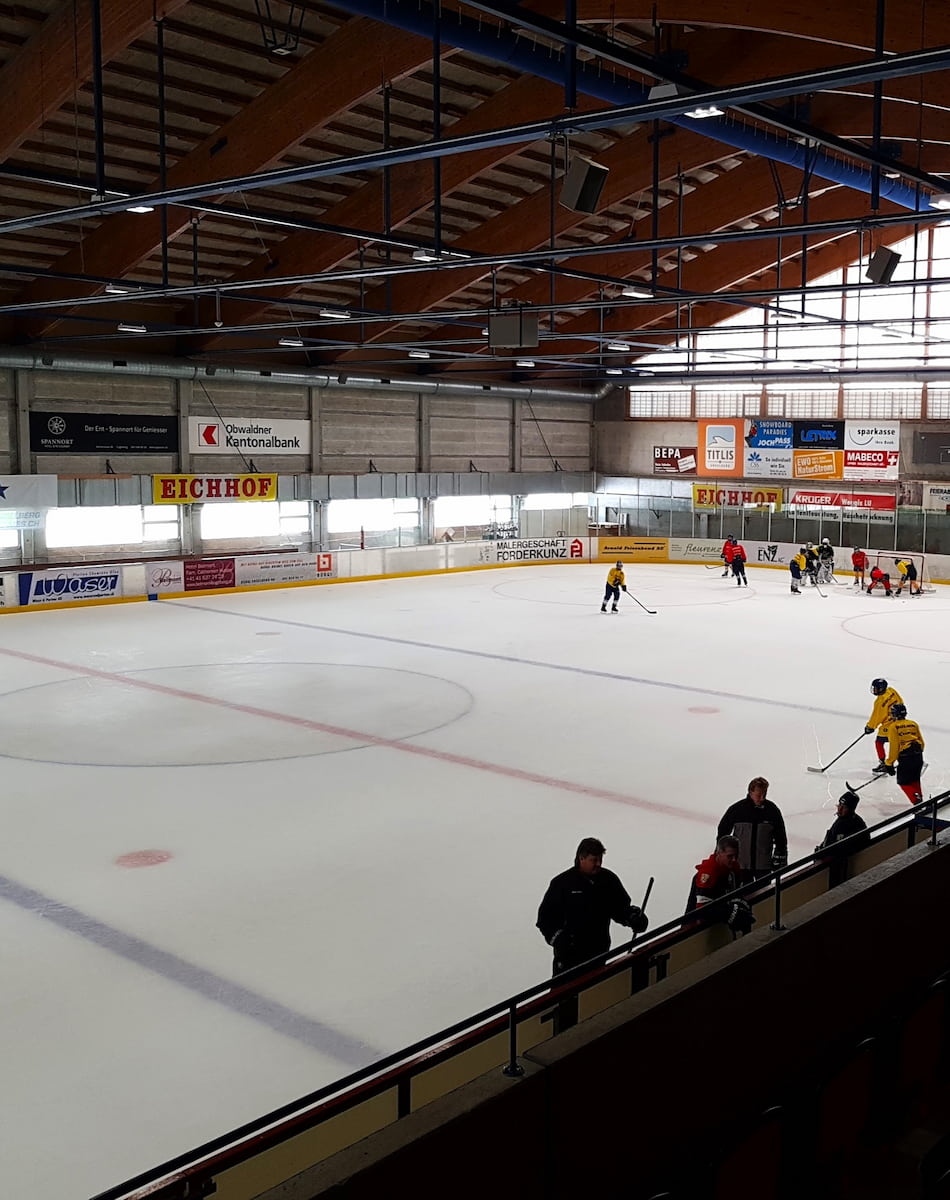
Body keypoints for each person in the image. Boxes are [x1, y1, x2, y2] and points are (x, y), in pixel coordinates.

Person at [536, 837, 649, 977]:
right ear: (581, 858)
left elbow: (620, 908)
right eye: (594, 860)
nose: (598, 864)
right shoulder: (562, 883)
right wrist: (559, 939)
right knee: (566, 996)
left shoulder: (608, 880)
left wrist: (633, 917)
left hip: (598, 954)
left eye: (600, 860)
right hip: (568, 959)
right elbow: (545, 919)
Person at [717, 777, 788, 879]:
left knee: (765, 894)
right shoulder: (737, 810)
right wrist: (721, 854)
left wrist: (781, 853)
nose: (762, 798)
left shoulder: (772, 810)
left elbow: (780, 836)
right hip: (740, 866)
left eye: (765, 794)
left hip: (763, 866)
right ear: (750, 792)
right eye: (759, 795)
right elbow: (723, 833)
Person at [685, 835, 755, 936]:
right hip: (695, 928)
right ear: (719, 853)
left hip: (719, 921)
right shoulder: (708, 873)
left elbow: (736, 893)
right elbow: (703, 910)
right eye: (730, 856)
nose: (734, 859)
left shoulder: (734, 868)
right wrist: (730, 913)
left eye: (736, 856)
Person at [882, 703, 926, 805]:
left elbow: (894, 747)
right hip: (918, 756)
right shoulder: (913, 723)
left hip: (906, 757)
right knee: (915, 779)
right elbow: (922, 743)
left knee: (903, 782)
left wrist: (889, 763)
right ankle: (920, 801)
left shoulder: (893, 727)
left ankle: (917, 802)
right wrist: (917, 754)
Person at [865, 677, 903, 773]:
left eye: (875, 688)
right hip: (899, 721)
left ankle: (883, 764)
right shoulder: (891, 691)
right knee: (898, 741)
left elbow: (876, 717)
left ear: (881, 689)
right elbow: (900, 702)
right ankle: (905, 759)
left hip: (889, 726)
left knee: (879, 742)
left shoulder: (879, 702)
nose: (874, 690)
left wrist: (870, 727)